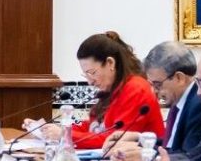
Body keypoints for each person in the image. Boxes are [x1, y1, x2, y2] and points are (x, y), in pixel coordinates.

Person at [32, 32, 163, 148]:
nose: (90, 82)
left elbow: (114, 140)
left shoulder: (136, 89)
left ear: (110, 63)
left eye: (92, 73)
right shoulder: (110, 89)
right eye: (86, 75)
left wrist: (64, 135)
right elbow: (92, 128)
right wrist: (53, 130)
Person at [142, 41, 201, 158]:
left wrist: (144, 154)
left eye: (157, 84)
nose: (154, 91)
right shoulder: (178, 102)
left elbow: (186, 156)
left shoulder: (199, 105)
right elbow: (170, 144)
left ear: (179, 78)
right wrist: (138, 141)